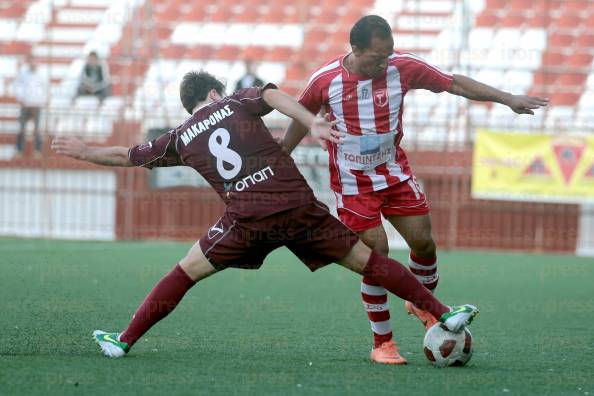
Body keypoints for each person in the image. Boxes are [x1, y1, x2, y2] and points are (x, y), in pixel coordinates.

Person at [51, 71, 479, 361]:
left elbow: (127, 156)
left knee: (183, 272)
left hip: (247, 220)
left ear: (192, 105)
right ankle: (443, 313)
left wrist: (86, 152)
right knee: (373, 263)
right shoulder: (238, 100)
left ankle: (124, 341)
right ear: (216, 93)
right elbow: (272, 94)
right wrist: (310, 121)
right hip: (298, 206)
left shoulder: (179, 136)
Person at [282, 15, 548, 364]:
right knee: (376, 258)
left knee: (424, 243)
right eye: (377, 56)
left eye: (388, 54)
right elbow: (300, 115)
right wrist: (281, 155)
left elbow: (454, 84)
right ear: (356, 49)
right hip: (353, 183)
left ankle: (419, 300)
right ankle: (383, 343)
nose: (384, 62)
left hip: (395, 173)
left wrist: (506, 98)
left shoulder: (402, 67)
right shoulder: (325, 80)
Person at [13, 55, 47, 158]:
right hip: (26, 104)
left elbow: (46, 88)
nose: (33, 63)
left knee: (37, 129)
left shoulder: (42, 73)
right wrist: (20, 98)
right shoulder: (23, 73)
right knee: (22, 128)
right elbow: (17, 86)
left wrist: (42, 100)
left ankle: (37, 151)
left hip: (37, 105)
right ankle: (19, 151)